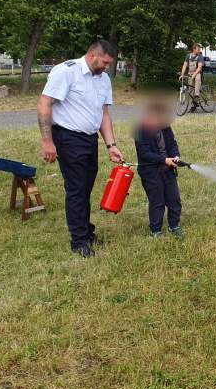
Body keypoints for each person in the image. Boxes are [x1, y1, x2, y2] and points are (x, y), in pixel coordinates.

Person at [37, 40, 124, 258]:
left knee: (85, 188)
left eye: (109, 65)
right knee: (76, 189)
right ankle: (79, 241)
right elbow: (44, 103)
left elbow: (103, 114)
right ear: (93, 54)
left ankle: (86, 231)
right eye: (104, 62)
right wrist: (47, 141)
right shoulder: (66, 72)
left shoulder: (103, 79)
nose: (106, 67)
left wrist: (111, 145)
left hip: (89, 139)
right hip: (67, 137)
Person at [135, 100, 183, 238]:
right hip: (150, 172)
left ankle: (174, 226)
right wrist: (164, 160)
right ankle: (155, 230)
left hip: (167, 169)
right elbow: (144, 153)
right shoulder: (141, 129)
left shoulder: (165, 126)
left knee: (174, 199)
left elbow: (172, 143)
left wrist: (175, 156)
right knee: (157, 201)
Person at [180, 44, 205, 112]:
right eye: (198, 49)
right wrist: (182, 74)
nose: (199, 50)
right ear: (194, 49)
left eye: (200, 49)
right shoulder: (188, 56)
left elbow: (199, 67)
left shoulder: (200, 56)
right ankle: (194, 105)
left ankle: (197, 96)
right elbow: (185, 65)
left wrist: (194, 74)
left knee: (197, 82)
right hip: (190, 74)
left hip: (197, 73)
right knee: (190, 90)